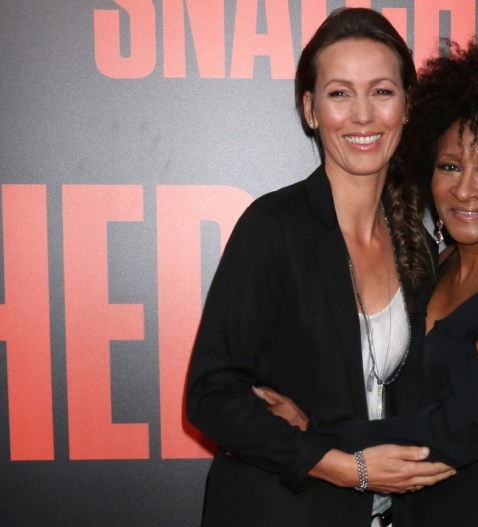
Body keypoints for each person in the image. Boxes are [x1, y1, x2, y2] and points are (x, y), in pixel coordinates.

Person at [259, 37, 478, 526]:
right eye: (448, 166)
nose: (464, 188)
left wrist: (312, 432)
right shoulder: (434, 266)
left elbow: (454, 432)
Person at [185, 8, 454, 527]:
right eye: (339, 93)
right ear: (310, 109)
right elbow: (211, 397)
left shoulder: (415, 244)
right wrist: (346, 467)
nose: (361, 115)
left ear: (407, 105)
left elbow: (441, 394)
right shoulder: (272, 228)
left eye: (381, 91)